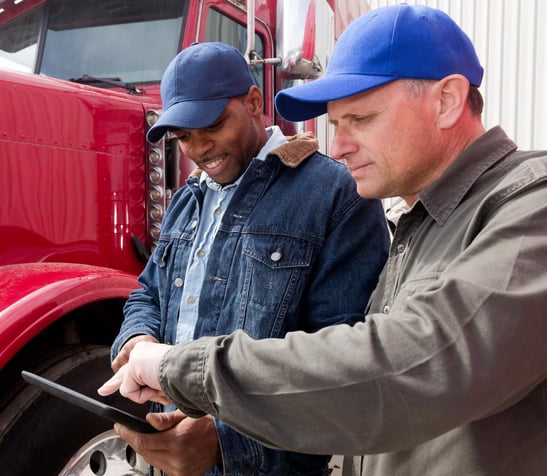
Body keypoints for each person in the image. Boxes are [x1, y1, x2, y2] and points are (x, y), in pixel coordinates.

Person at [99, 4, 547, 475]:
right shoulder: (423, 222)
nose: (338, 147)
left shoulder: (530, 205)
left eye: (362, 118)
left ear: (447, 100)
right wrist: (145, 344)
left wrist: (179, 371)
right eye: (336, 124)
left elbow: (406, 364)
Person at [109, 41, 390, 475]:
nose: (200, 149)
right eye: (184, 136)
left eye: (213, 126)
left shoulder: (336, 194)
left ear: (255, 101)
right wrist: (137, 341)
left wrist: (225, 442)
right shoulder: (187, 199)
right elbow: (148, 292)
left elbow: (341, 366)